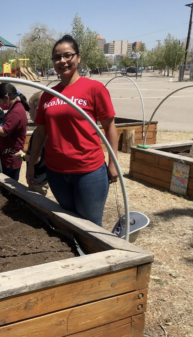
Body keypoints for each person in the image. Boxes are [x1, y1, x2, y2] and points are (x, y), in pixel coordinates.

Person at [26, 35, 119, 227]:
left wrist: (113, 163)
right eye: (57, 57)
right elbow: (41, 134)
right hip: (56, 172)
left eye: (68, 55)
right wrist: (31, 164)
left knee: (91, 225)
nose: (62, 61)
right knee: (69, 220)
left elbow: (110, 127)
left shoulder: (94, 88)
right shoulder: (48, 95)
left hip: (89, 170)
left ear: (78, 57)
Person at [13, 91, 49, 196]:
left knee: (36, 200)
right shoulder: (49, 130)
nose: (29, 113)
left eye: (30, 109)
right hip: (45, 174)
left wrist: (22, 155)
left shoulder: (38, 133)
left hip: (38, 178)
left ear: (38, 111)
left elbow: (36, 159)